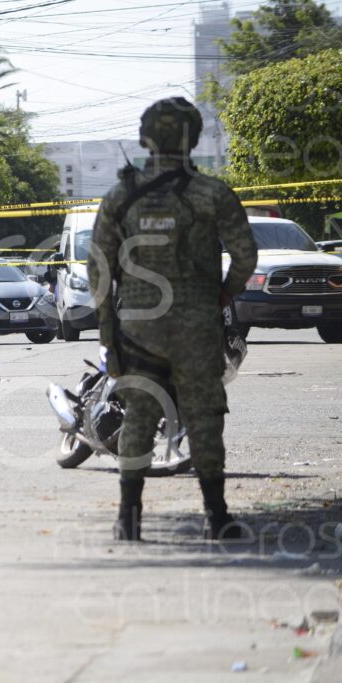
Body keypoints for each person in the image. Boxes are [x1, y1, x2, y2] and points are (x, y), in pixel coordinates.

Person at [86, 97, 257, 542]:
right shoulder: (212, 194)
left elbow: (99, 271)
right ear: (194, 138)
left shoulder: (120, 197)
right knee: (203, 416)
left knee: (139, 413)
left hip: (139, 327)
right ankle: (218, 517)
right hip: (197, 327)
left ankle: (129, 518)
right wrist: (223, 294)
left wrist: (108, 333)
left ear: (146, 138)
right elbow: (245, 256)